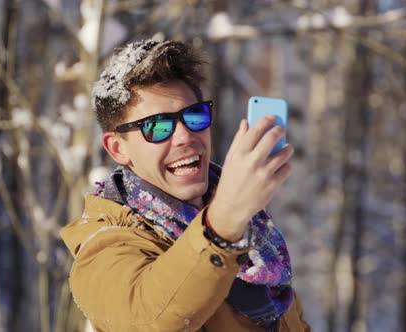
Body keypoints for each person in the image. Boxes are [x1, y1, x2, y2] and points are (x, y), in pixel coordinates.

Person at [60, 38, 310, 331]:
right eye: (157, 126)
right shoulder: (103, 247)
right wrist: (223, 223)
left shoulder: (254, 234)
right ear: (117, 148)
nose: (184, 137)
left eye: (194, 117)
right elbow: (147, 319)